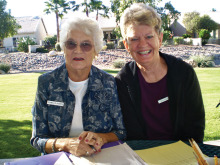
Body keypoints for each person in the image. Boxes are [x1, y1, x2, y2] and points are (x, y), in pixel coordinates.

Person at [30, 16, 126, 157]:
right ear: (63, 48)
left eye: (86, 44)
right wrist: (65, 144)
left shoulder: (108, 83)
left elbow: (121, 132)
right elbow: (37, 139)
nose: (78, 50)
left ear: (96, 50)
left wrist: (102, 137)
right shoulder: (47, 83)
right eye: (71, 44)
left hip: (99, 158)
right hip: (59, 160)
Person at [115, 3, 205, 143]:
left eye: (149, 36)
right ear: (126, 45)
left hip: (183, 155)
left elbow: (195, 127)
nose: (143, 44)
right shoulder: (123, 81)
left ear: (160, 39)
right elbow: (131, 133)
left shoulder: (184, 73)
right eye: (134, 39)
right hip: (143, 157)